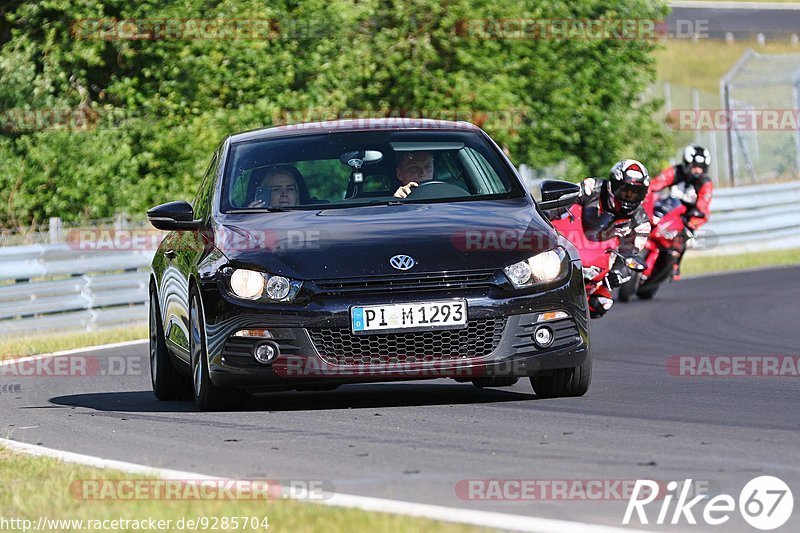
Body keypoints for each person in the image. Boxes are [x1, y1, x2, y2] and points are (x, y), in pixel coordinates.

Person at [563, 159, 652, 318]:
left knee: (601, 304)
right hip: (567, 247)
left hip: (596, 267)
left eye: (635, 193)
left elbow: (630, 254)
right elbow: (560, 206)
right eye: (624, 190)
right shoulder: (591, 187)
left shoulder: (641, 223)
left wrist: (618, 273)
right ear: (613, 185)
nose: (629, 196)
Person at [649, 145, 713, 279]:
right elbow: (655, 184)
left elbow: (703, 206)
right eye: (694, 166)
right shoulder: (675, 171)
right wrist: (646, 194)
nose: (697, 170)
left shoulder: (705, 183)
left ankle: (675, 264)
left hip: (689, 215)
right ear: (686, 163)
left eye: (701, 167)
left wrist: (694, 220)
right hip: (669, 206)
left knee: (684, 237)